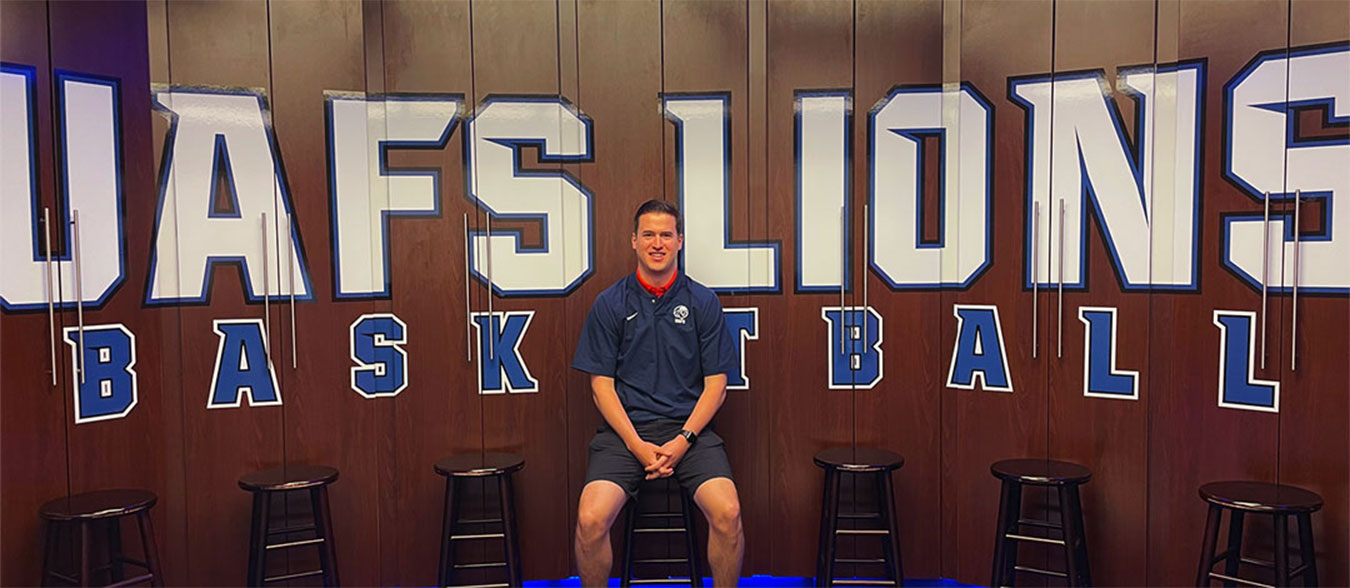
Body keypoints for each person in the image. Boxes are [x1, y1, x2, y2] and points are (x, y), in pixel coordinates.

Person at [571, 199, 744, 587]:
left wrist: (683, 439)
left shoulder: (703, 302)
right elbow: (601, 388)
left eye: (666, 234)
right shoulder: (610, 303)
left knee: (728, 512)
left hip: (690, 433)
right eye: (648, 234)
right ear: (633, 241)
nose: (657, 243)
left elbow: (717, 386)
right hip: (624, 434)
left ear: (680, 241)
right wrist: (636, 444)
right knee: (590, 519)